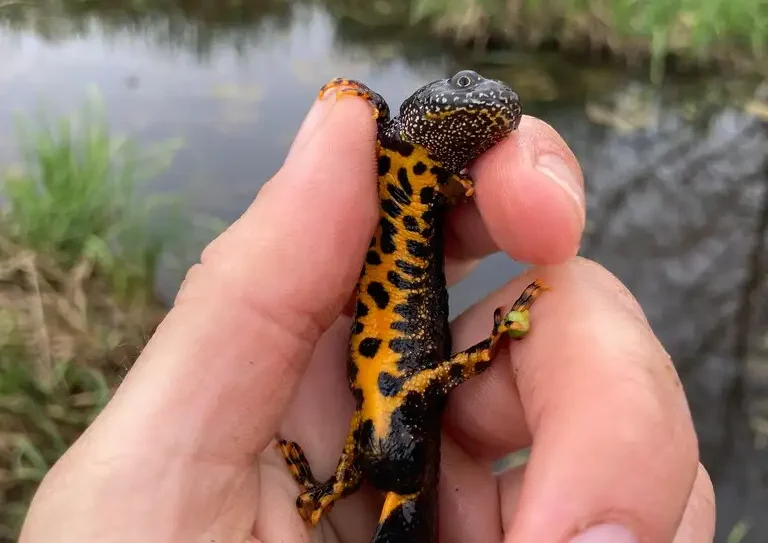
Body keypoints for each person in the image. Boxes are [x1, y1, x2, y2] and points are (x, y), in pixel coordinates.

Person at [19, 93, 715, 542]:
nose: (484, 107)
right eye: (467, 93)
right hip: (393, 400)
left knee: (408, 411)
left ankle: (335, 485)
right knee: (414, 402)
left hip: (387, 416)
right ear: (434, 110)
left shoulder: (433, 187)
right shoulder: (395, 150)